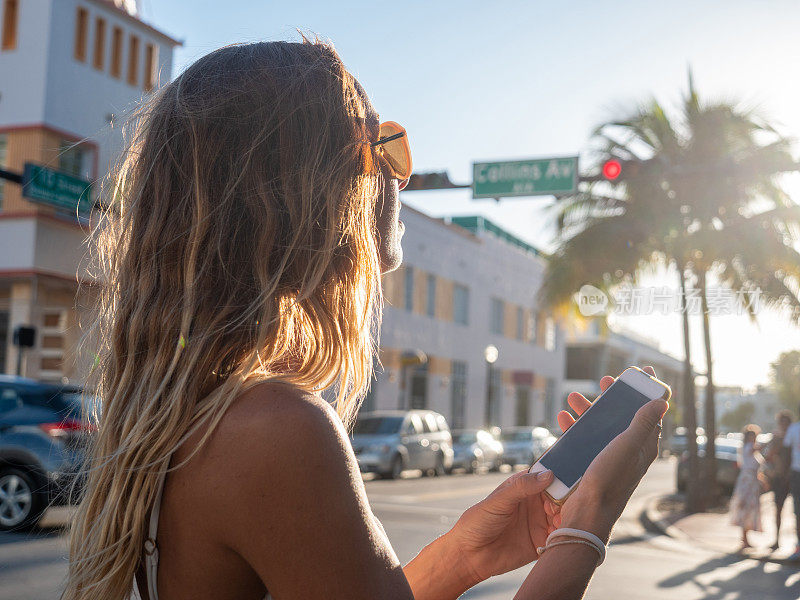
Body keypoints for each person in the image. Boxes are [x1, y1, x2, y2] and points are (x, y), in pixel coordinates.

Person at [64, 40, 669, 600]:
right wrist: (589, 521)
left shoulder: (200, 413)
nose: (397, 177)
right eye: (383, 146)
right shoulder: (277, 430)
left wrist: (463, 557)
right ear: (312, 187)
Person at [729, 425, 764, 551]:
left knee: (749, 509)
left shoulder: (748, 449)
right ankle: (744, 539)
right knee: (746, 508)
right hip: (747, 482)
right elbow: (757, 449)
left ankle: (745, 538)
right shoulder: (748, 447)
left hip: (751, 481)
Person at [764, 410, 793, 550]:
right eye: (782, 423)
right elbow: (768, 455)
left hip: (794, 477)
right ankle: (776, 540)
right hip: (779, 478)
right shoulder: (776, 438)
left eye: (786, 423)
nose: (784, 426)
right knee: (778, 509)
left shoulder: (795, 437)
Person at [783, 408, 800, 561]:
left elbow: (787, 452)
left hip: (796, 473)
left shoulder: (794, 428)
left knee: (798, 511)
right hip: (796, 472)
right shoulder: (794, 428)